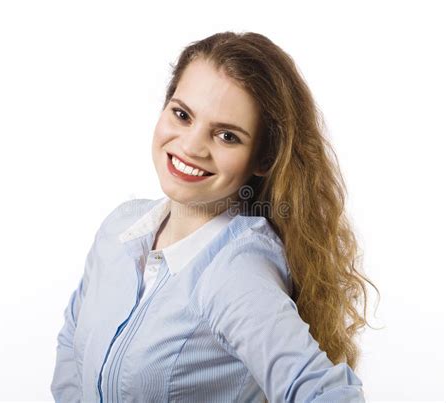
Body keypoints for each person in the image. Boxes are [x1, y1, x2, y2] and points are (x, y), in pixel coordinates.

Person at [51, 31, 378, 402]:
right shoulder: (119, 228)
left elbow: (326, 394)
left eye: (227, 136)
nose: (191, 146)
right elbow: (72, 341)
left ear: (263, 158)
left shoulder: (236, 271)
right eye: (182, 114)